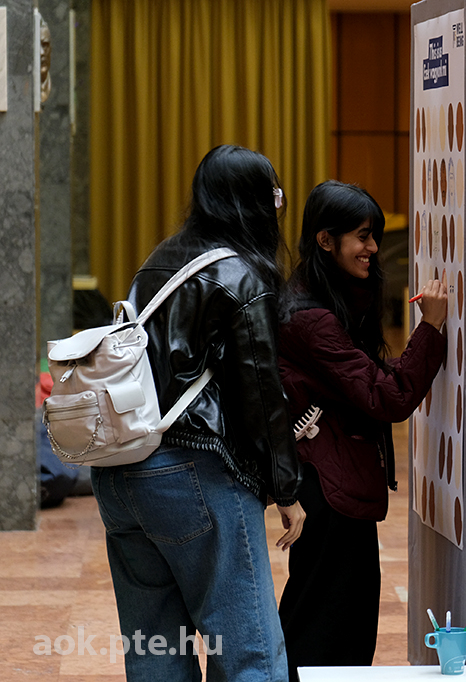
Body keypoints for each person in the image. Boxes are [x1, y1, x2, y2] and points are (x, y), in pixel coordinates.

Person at [92, 144, 306, 680]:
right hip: (193, 474)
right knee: (250, 653)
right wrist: (286, 489)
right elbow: (262, 395)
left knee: (154, 652)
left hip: (121, 473)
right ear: (254, 203)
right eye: (275, 197)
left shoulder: (159, 260)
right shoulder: (240, 276)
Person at [277, 181, 447, 677]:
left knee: (336, 621)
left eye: (373, 236)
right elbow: (387, 397)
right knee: (327, 628)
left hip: (334, 480)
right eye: (363, 236)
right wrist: (431, 328)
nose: (373, 248)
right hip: (329, 490)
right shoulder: (312, 319)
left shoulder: (321, 297)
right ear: (325, 240)